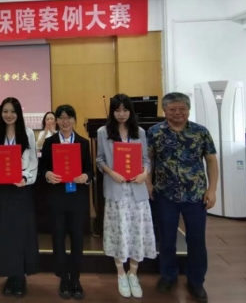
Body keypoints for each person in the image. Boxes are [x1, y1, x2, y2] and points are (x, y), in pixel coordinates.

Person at [147, 92, 218, 303]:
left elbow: (211, 161)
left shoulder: (200, 132)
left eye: (182, 109)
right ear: (164, 111)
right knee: (167, 238)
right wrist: (148, 184)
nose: (177, 113)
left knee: (196, 239)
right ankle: (168, 276)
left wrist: (212, 190)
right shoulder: (154, 132)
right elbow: (148, 160)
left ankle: (196, 281)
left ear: (188, 110)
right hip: (164, 194)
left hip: (195, 195)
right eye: (172, 109)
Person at [96, 94, 156, 299]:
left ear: (131, 111)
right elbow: (99, 159)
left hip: (137, 191)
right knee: (118, 231)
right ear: (112, 112)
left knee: (137, 231)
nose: (121, 114)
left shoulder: (140, 132)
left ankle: (133, 274)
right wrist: (111, 172)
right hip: (116, 189)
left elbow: (146, 159)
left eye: (125, 110)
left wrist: (145, 174)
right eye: (117, 110)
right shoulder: (103, 132)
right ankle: (121, 273)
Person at [0, 97, 39, 297]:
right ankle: (9, 275)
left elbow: (33, 163)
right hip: (2, 191)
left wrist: (26, 178)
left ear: (19, 113)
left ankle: (20, 276)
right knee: (5, 234)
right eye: (5, 111)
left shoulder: (28, 133)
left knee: (21, 233)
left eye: (13, 111)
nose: (9, 115)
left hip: (21, 189)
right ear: (0, 114)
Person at [40, 105, 93, 300]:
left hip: (77, 198)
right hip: (57, 198)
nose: (65, 121)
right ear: (56, 120)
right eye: (61, 117)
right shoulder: (50, 142)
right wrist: (47, 174)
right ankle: (63, 277)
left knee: (78, 239)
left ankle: (76, 278)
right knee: (58, 238)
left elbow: (90, 169)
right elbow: (42, 168)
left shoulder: (83, 143)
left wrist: (86, 176)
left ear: (74, 120)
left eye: (69, 117)